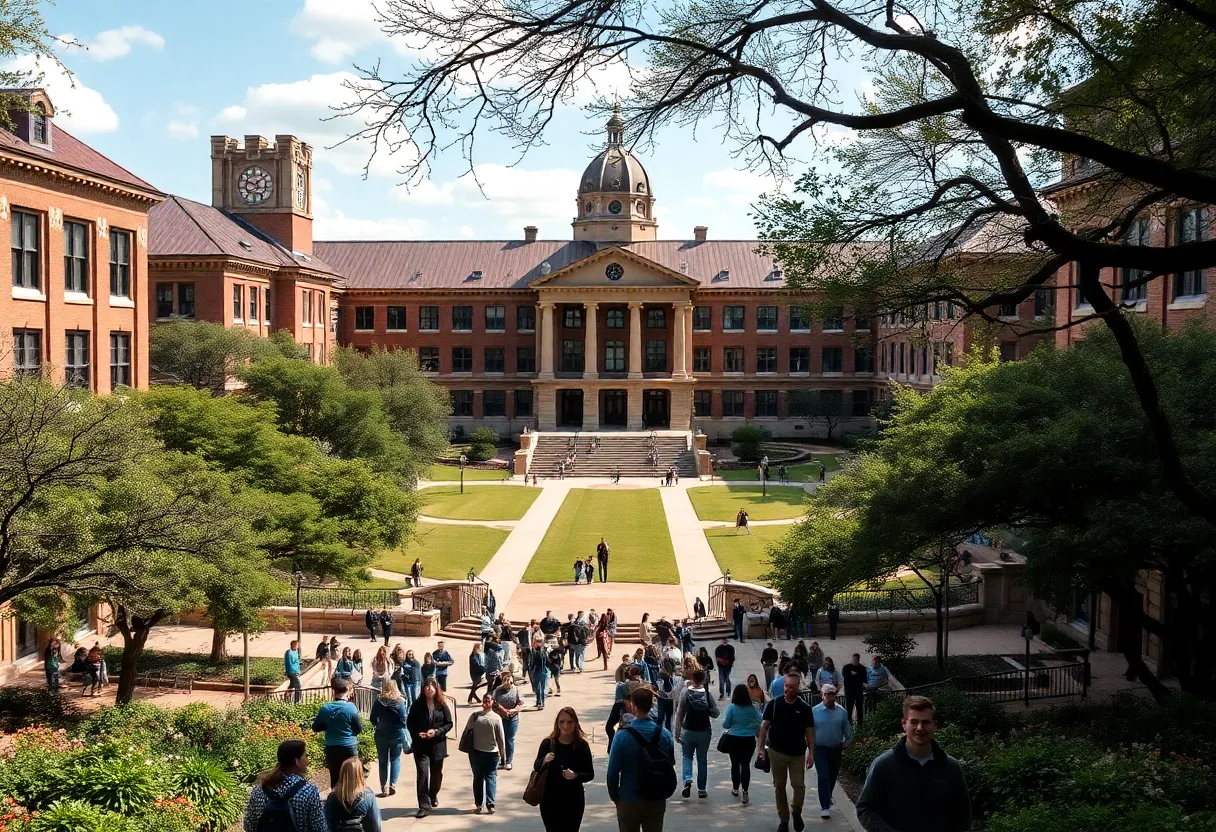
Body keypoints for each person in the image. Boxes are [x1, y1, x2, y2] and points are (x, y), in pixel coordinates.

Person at [856, 695, 971, 832]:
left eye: (926, 722)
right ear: (904, 724)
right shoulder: (884, 765)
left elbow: (963, 815)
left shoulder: (951, 767)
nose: (920, 728)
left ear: (935, 725)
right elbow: (865, 808)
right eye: (914, 722)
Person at [607, 686, 676, 832]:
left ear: (633, 705)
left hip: (629, 798)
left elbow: (612, 772)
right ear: (652, 704)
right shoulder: (664, 734)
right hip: (656, 798)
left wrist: (616, 798)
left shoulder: (622, 736)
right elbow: (670, 763)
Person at [757, 670, 817, 832]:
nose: (787, 689)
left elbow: (809, 732)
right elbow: (764, 728)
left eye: (790, 687)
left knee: (799, 785)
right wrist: (760, 748)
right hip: (777, 752)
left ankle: (796, 811)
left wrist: (811, 753)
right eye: (785, 686)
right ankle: (784, 819)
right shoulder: (774, 704)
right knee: (779, 785)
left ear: (797, 687)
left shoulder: (804, 708)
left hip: (797, 754)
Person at [241, 740, 326, 832]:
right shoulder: (309, 792)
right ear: (296, 761)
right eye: (306, 755)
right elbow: (319, 828)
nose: (308, 760)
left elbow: (248, 825)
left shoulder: (260, 789)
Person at [534, 706, 595, 831]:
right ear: (557, 723)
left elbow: (589, 773)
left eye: (569, 722)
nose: (566, 726)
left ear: (575, 723)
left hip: (573, 800)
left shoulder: (581, 746)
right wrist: (544, 760)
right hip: (550, 800)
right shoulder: (548, 743)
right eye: (562, 722)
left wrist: (576, 775)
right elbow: (536, 767)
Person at [407, 678, 453, 818]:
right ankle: (424, 805)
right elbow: (410, 723)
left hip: (437, 745)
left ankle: (433, 795)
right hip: (421, 746)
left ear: (436, 688)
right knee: (423, 774)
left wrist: (437, 731)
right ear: (423, 689)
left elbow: (449, 723)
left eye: (432, 686)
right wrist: (417, 733)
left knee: (436, 775)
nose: (429, 689)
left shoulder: (442, 705)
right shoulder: (417, 705)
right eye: (427, 686)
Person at [674, 668, 719, 799]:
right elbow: (716, 713)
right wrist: (707, 710)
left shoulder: (685, 692)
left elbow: (679, 714)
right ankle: (702, 789)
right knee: (702, 759)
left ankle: (687, 781)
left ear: (692, 679)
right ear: (704, 680)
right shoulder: (707, 694)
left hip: (688, 731)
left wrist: (677, 732)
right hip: (704, 731)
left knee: (687, 757)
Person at [311, 678, 363, 788]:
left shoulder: (326, 708)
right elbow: (358, 729)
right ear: (348, 691)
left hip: (332, 746)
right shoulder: (351, 707)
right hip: (349, 746)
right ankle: (352, 800)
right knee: (351, 776)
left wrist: (328, 726)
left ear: (333, 691)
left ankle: (336, 801)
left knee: (335, 776)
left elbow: (315, 727)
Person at [810, 684, 852, 819]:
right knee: (823, 775)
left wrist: (847, 742)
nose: (828, 696)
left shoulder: (842, 712)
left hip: (835, 749)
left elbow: (847, 730)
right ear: (822, 695)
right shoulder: (814, 711)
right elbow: (809, 730)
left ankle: (828, 796)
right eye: (825, 694)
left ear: (835, 695)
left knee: (832, 776)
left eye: (831, 693)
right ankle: (825, 806)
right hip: (820, 748)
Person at [721, 682, 764, 804]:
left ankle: (735, 788)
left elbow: (726, 724)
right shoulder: (752, 709)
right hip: (748, 739)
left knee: (735, 764)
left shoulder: (731, 708)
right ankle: (745, 791)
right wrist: (751, 725)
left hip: (733, 739)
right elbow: (760, 720)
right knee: (745, 765)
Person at [464, 693, 506, 814]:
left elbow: (501, 738)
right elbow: (467, 731)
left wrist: (503, 756)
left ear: (493, 702)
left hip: (492, 753)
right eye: (484, 699)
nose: (486, 701)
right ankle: (478, 804)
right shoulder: (475, 716)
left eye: (489, 700)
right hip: (476, 752)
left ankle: (490, 804)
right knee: (478, 778)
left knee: (491, 778)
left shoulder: (497, 718)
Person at [369, 679, 409, 797]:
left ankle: (383, 786)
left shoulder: (379, 701)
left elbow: (372, 718)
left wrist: (378, 724)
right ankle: (392, 784)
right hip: (396, 734)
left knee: (382, 761)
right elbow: (403, 719)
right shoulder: (400, 702)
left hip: (381, 733)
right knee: (395, 759)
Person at [325, 756, 383, 832]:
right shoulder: (368, 796)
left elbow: (327, 823)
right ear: (359, 774)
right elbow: (375, 825)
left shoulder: (333, 797)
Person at [492, 673, 524, 770]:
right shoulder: (498, 690)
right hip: (500, 718)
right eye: (505, 680)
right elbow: (493, 703)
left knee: (509, 740)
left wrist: (513, 710)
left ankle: (509, 761)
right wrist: (501, 709)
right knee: (500, 740)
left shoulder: (516, 690)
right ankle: (502, 760)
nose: (507, 683)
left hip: (512, 719)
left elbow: (520, 704)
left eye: (509, 680)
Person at [842, 654, 868, 726]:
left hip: (858, 692)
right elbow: (845, 676)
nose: (855, 661)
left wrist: (856, 675)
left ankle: (860, 726)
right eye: (854, 659)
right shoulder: (847, 667)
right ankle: (848, 726)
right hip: (849, 692)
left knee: (860, 710)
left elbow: (864, 679)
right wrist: (853, 675)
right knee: (849, 710)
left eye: (857, 659)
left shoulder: (862, 668)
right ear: (852, 659)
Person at [528, 637, 550, 709]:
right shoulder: (544, 653)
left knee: (537, 688)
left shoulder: (533, 654)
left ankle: (538, 702)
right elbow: (548, 663)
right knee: (543, 688)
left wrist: (530, 672)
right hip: (543, 672)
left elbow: (531, 664)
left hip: (536, 672)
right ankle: (542, 702)